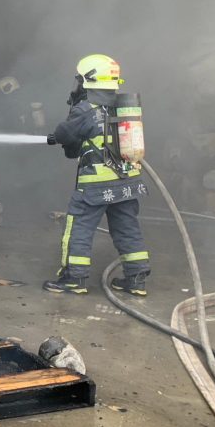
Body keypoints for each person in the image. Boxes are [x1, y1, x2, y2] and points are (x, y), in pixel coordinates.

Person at [43, 54, 151, 296]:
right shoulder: (123, 105)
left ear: (88, 80)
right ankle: (136, 279)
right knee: (127, 228)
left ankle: (74, 278)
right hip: (127, 182)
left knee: (78, 228)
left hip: (95, 186)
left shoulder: (85, 109)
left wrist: (55, 136)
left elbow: (65, 134)